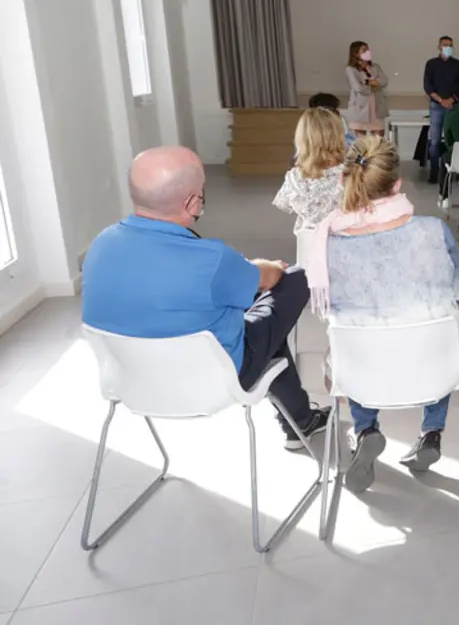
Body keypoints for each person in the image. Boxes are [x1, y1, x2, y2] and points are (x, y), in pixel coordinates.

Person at [82, 147, 330, 450]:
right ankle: (301, 422)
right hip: (213, 382)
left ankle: (300, 421)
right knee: (295, 279)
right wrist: (266, 267)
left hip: (131, 382)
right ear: (191, 202)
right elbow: (270, 278)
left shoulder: (100, 245)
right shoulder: (212, 259)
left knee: (264, 329)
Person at [305, 135, 459, 493]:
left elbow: (327, 310)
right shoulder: (433, 230)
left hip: (365, 370)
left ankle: (365, 428)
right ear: (397, 185)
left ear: (344, 181)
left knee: (349, 344)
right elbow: (457, 291)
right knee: (437, 329)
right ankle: (431, 431)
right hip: (433, 366)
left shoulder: (326, 244)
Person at [273, 108, 346, 229]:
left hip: (307, 242)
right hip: (343, 239)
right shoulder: (350, 174)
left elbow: (284, 204)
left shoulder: (294, 177)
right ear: (338, 135)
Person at [423, 35, 459, 183]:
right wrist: (440, 100)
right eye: (444, 45)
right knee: (435, 140)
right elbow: (428, 85)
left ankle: (453, 170)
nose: (447, 47)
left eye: (450, 45)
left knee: (454, 140)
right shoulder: (431, 64)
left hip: (454, 106)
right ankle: (434, 172)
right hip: (436, 106)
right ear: (439, 46)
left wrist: (451, 100)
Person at [345, 41, 388, 136]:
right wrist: (374, 85)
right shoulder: (351, 69)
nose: (367, 52)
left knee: (378, 140)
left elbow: (384, 81)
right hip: (361, 108)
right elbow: (358, 87)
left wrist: (368, 82)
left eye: (368, 49)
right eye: (364, 50)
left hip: (377, 106)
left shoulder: (375, 67)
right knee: (361, 143)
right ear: (356, 53)